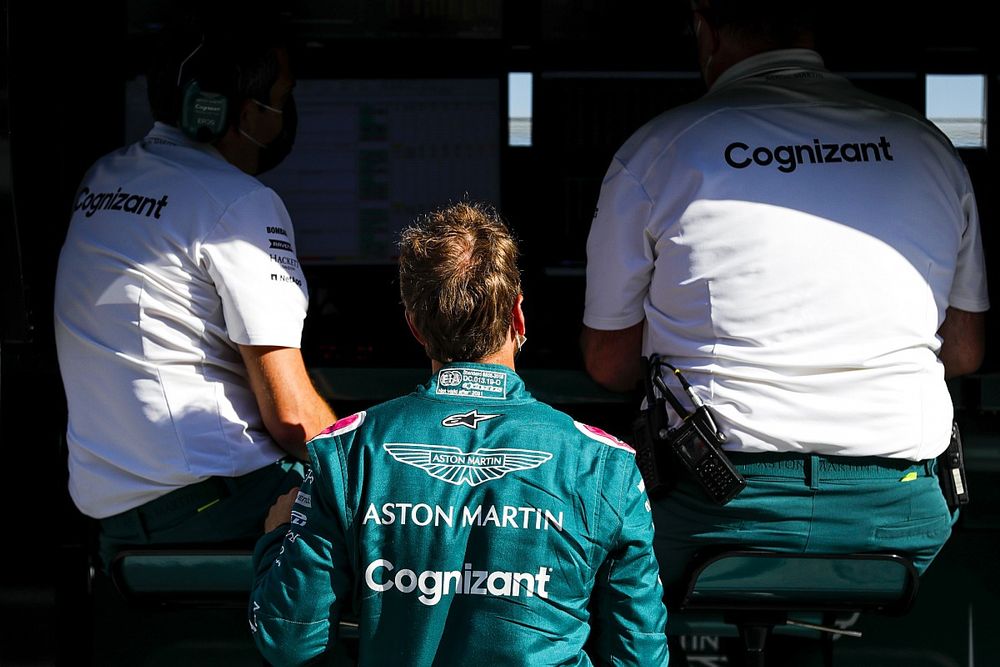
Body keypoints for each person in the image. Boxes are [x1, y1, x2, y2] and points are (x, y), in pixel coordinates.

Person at [580, 0, 990, 600]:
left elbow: (609, 366)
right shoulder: (928, 147)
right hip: (901, 519)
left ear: (705, 29)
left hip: (714, 509)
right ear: (812, 25)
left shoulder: (657, 152)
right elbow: (963, 351)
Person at [249, 201, 669, 666]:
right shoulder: (604, 464)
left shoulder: (347, 453)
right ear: (517, 316)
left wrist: (278, 537)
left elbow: (289, 642)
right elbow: (640, 656)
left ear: (415, 326)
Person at [53, 11, 336, 573]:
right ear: (237, 113)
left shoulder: (104, 178)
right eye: (280, 97)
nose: (284, 113)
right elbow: (291, 418)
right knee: (394, 509)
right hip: (209, 499)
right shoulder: (239, 200)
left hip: (115, 513)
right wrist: (383, 466)